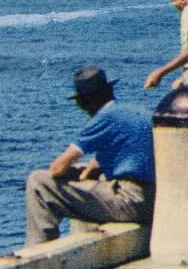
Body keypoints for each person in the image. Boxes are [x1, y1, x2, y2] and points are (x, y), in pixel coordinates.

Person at [24, 66, 156, 246]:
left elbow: (56, 169)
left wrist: (69, 176)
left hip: (132, 202)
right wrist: (83, 173)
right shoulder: (135, 111)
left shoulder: (103, 119)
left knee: (38, 182)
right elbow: (102, 162)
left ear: (85, 102)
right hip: (155, 199)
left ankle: (38, 249)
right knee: (90, 176)